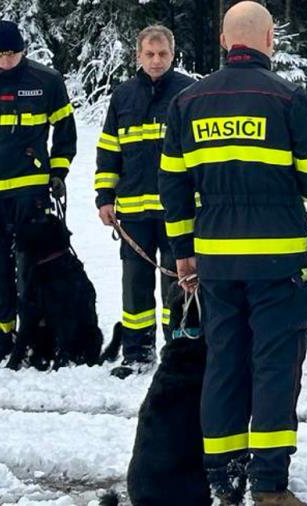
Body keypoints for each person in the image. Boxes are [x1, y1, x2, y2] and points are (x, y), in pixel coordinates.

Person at [162, 1, 307, 506]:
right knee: (275, 366)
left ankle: (222, 479)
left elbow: (172, 184)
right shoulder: (286, 98)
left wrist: (183, 253)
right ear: (268, 41)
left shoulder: (188, 101)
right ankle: (269, 485)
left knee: (224, 364)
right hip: (277, 260)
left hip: (215, 258)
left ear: (222, 41)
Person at [0, 19, 77, 364]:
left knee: (29, 266)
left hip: (30, 192)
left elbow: (66, 133)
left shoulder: (46, 81)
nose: (6, 60)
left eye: (11, 53)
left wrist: (58, 171)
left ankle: (32, 334)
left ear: (23, 49)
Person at [95, 24, 195, 376]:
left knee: (178, 282)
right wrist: (104, 197)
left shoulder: (189, 93)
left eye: (163, 54)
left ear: (173, 54)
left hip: (176, 212)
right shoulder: (123, 96)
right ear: (137, 56)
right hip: (133, 212)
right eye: (149, 54)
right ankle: (136, 353)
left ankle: (178, 349)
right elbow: (109, 150)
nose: (156, 60)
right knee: (134, 285)